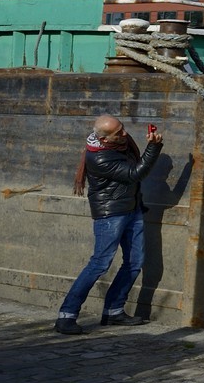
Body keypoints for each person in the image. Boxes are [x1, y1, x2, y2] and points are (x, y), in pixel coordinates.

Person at [56, 114, 165, 334]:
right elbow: (135, 174)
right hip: (110, 215)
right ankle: (66, 315)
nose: (125, 134)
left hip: (132, 209)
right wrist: (153, 147)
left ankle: (114, 311)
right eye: (119, 133)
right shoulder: (99, 158)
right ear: (104, 139)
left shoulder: (119, 142)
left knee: (135, 261)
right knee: (99, 263)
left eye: (123, 128)